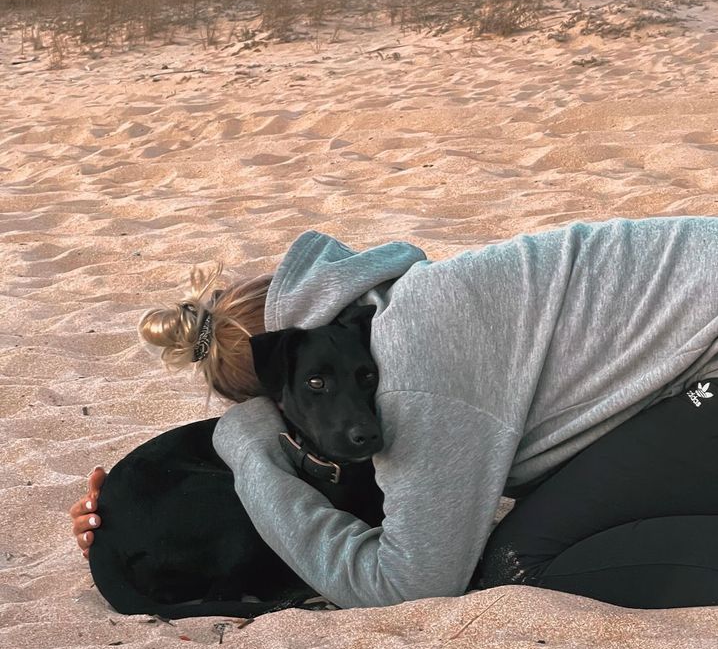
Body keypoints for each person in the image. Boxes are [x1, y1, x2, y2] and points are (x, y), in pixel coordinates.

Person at [70, 217, 718, 610]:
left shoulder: (415, 370)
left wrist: (247, 456)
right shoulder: (394, 304)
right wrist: (125, 512)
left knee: (522, 563)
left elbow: (411, 585)